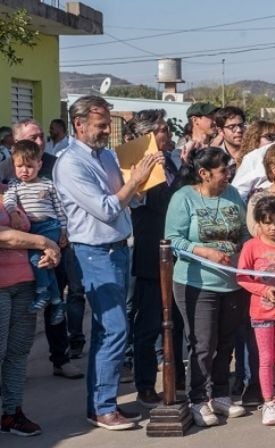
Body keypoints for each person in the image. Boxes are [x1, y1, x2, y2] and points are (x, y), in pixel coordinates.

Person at [53, 95, 163, 430]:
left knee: (110, 328)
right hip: (93, 252)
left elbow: (126, 198)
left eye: (107, 125)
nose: (105, 132)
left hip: (117, 249)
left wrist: (141, 183)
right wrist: (134, 181)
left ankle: (104, 404)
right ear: (79, 124)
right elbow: (106, 208)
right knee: (114, 327)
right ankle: (102, 406)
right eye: (101, 126)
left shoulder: (105, 157)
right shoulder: (70, 163)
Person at [164, 146, 248, 427]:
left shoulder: (233, 195)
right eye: (223, 171)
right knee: (202, 343)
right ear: (204, 173)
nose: (228, 176)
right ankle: (198, 398)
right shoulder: (183, 198)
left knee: (225, 342)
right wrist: (205, 252)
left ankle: (221, 394)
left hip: (231, 283)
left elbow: (245, 233)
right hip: (196, 282)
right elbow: (172, 239)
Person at [11, 118, 85, 375]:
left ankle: (60, 359)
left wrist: (64, 234)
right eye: (33, 138)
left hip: (56, 244)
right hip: (18, 252)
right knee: (20, 310)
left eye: (42, 136)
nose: (40, 142)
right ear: (17, 141)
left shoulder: (56, 166)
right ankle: (14, 368)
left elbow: (67, 202)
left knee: (56, 302)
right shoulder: (8, 170)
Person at [124, 109, 186, 409]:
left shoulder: (171, 161)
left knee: (176, 323)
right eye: (162, 129)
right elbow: (160, 202)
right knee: (149, 323)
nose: (168, 133)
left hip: (177, 253)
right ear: (148, 135)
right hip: (151, 255)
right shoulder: (136, 165)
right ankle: (146, 384)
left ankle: (179, 381)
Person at [236, 195, 275, 428]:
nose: (273, 227)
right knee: (265, 359)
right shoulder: (251, 246)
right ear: (258, 224)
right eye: (268, 222)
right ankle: (268, 402)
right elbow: (242, 276)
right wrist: (264, 290)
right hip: (260, 313)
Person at [0, 204, 61, 437]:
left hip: (25, 283)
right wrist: (43, 243)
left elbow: (40, 226)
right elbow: (5, 237)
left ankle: (11, 414)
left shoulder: (12, 191)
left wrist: (49, 252)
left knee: (18, 351)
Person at [3, 140, 67, 324]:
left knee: (36, 259)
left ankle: (42, 291)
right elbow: (9, 200)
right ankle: (56, 300)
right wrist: (13, 213)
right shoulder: (14, 185)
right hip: (32, 229)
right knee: (45, 264)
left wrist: (63, 231)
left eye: (29, 166)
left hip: (49, 226)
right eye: (19, 166)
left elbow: (60, 209)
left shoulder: (48, 185)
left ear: (39, 164)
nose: (24, 170)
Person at [214, 106, 247, 176]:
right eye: (231, 127)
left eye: (241, 125)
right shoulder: (215, 157)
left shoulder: (254, 154)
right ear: (220, 131)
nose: (239, 130)